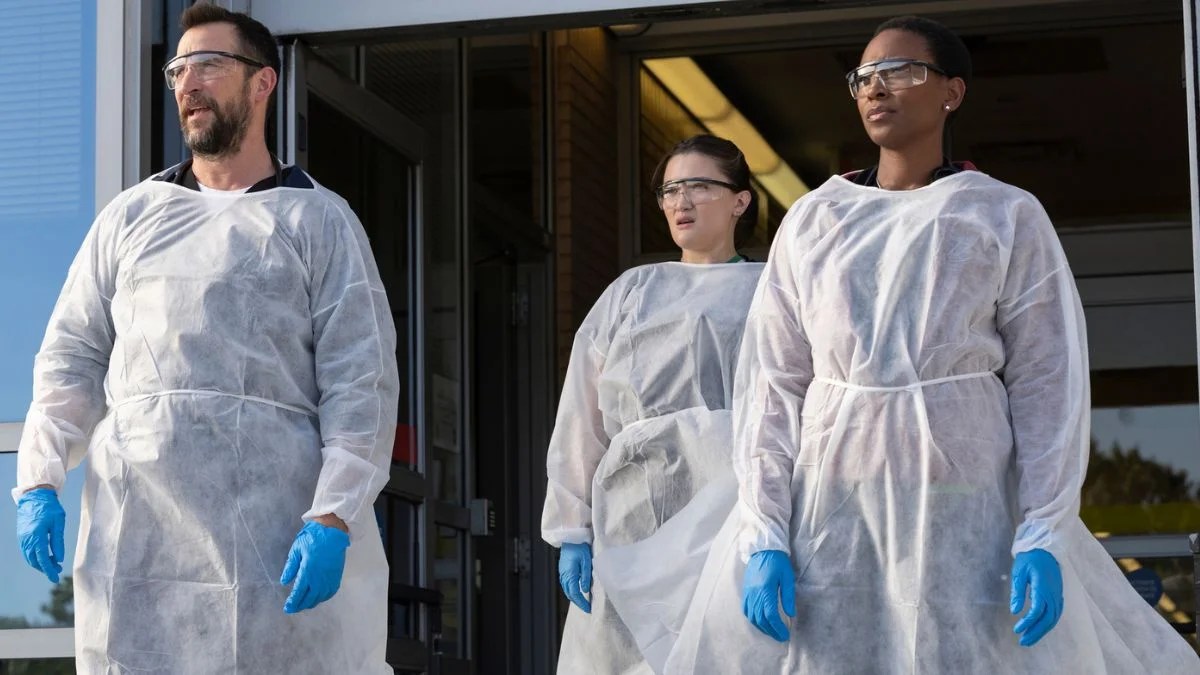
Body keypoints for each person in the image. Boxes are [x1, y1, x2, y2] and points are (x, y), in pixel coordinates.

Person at [665, 15, 1200, 674]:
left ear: (952, 91)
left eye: (900, 71)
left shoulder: (1001, 215)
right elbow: (773, 384)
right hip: (832, 517)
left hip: (968, 519)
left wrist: (1043, 528)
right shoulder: (814, 221)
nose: (876, 88)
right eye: (864, 76)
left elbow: (1045, 382)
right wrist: (765, 528)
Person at [13, 4, 397, 673]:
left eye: (209, 64)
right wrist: (39, 480)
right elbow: (71, 358)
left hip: (275, 546)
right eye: (177, 69)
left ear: (262, 82)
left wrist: (333, 515)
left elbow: (360, 383)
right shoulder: (131, 219)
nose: (188, 83)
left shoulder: (318, 221)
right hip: (139, 550)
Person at [541, 134, 766, 673]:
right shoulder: (632, 292)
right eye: (669, 190)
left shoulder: (773, 289)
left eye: (699, 186)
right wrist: (572, 527)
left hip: (736, 518)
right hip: (633, 518)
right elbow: (582, 417)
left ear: (740, 199)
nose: (681, 201)